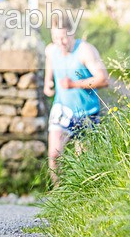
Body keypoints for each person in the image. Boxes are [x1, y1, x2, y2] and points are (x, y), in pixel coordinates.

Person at [43, 12, 109, 186]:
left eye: (63, 38)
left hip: (87, 112)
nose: (60, 43)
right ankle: (59, 192)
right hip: (62, 109)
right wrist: (47, 82)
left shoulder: (85, 51)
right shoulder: (51, 50)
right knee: (54, 155)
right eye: (55, 38)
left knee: (83, 162)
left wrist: (74, 84)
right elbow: (50, 62)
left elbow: (103, 79)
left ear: (72, 33)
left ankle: (79, 197)